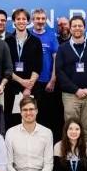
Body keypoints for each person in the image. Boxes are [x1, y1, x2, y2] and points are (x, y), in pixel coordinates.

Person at [55, 15, 87, 140]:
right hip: (70, 95)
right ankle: (71, 152)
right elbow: (59, 71)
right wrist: (76, 90)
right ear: (70, 29)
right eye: (74, 26)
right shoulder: (63, 48)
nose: (77, 28)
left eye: (80, 26)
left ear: (85, 28)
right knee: (71, 128)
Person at [28, 8, 62, 139]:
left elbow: (56, 59)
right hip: (31, 83)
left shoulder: (51, 36)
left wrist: (53, 80)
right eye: (37, 18)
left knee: (47, 116)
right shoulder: (28, 35)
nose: (40, 21)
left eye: (43, 18)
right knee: (32, 114)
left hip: (47, 82)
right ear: (33, 20)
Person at [4, 14, 42, 128]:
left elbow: (38, 66)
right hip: (11, 87)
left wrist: (28, 87)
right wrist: (21, 81)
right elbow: (6, 66)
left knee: (30, 119)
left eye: (24, 19)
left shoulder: (35, 41)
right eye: (18, 19)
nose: (21, 21)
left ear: (28, 21)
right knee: (12, 121)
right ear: (14, 21)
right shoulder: (7, 41)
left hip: (31, 88)